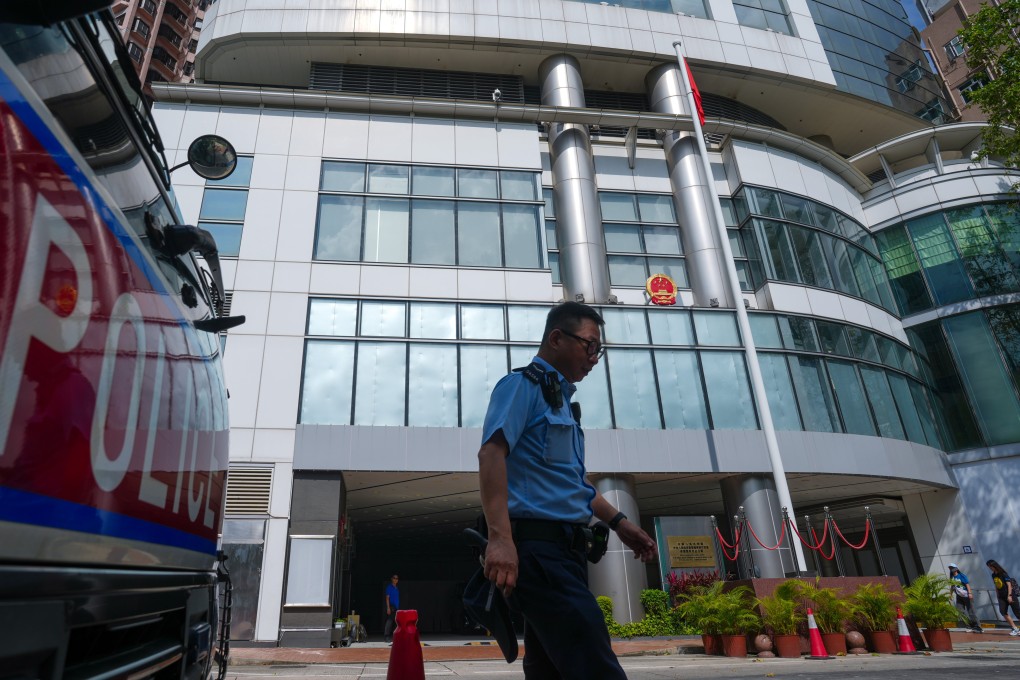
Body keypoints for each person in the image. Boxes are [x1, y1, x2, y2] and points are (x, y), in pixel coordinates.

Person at [477, 301, 658, 679]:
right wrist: (500, 540)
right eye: (589, 345)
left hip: (565, 555)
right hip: (538, 553)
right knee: (594, 661)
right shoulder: (520, 386)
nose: (594, 357)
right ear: (557, 338)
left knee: (550, 669)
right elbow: (491, 454)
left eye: (599, 350)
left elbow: (575, 484)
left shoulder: (561, 404)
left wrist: (621, 523)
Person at [986, 559, 1020, 635]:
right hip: (1001, 596)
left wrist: (1010, 596)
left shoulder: (1003, 574)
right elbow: (996, 585)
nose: (990, 568)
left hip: (1010, 595)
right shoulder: (993, 575)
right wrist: (997, 595)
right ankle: (1015, 628)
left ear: (994, 566)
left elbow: (1009, 585)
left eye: (990, 566)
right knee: (1003, 611)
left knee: (1017, 613)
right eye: (989, 567)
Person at [948, 563, 981, 633]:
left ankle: (977, 626)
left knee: (971, 611)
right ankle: (969, 625)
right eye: (950, 568)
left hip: (966, 595)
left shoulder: (961, 576)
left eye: (952, 567)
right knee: (960, 611)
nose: (951, 569)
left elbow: (967, 584)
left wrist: (970, 593)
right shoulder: (952, 578)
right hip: (959, 596)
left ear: (956, 568)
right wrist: (950, 594)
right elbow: (952, 586)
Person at [383, 574, 400, 643]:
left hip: (396, 607)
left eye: (397, 578)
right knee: (389, 621)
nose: (395, 579)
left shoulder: (396, 588)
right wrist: (388, 608)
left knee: (395, 622)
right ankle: (386, 636)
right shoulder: (389, 587)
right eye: (394, 578)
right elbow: (387, 598)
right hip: (391, 606)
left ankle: (395, 637)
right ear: (391, 579)